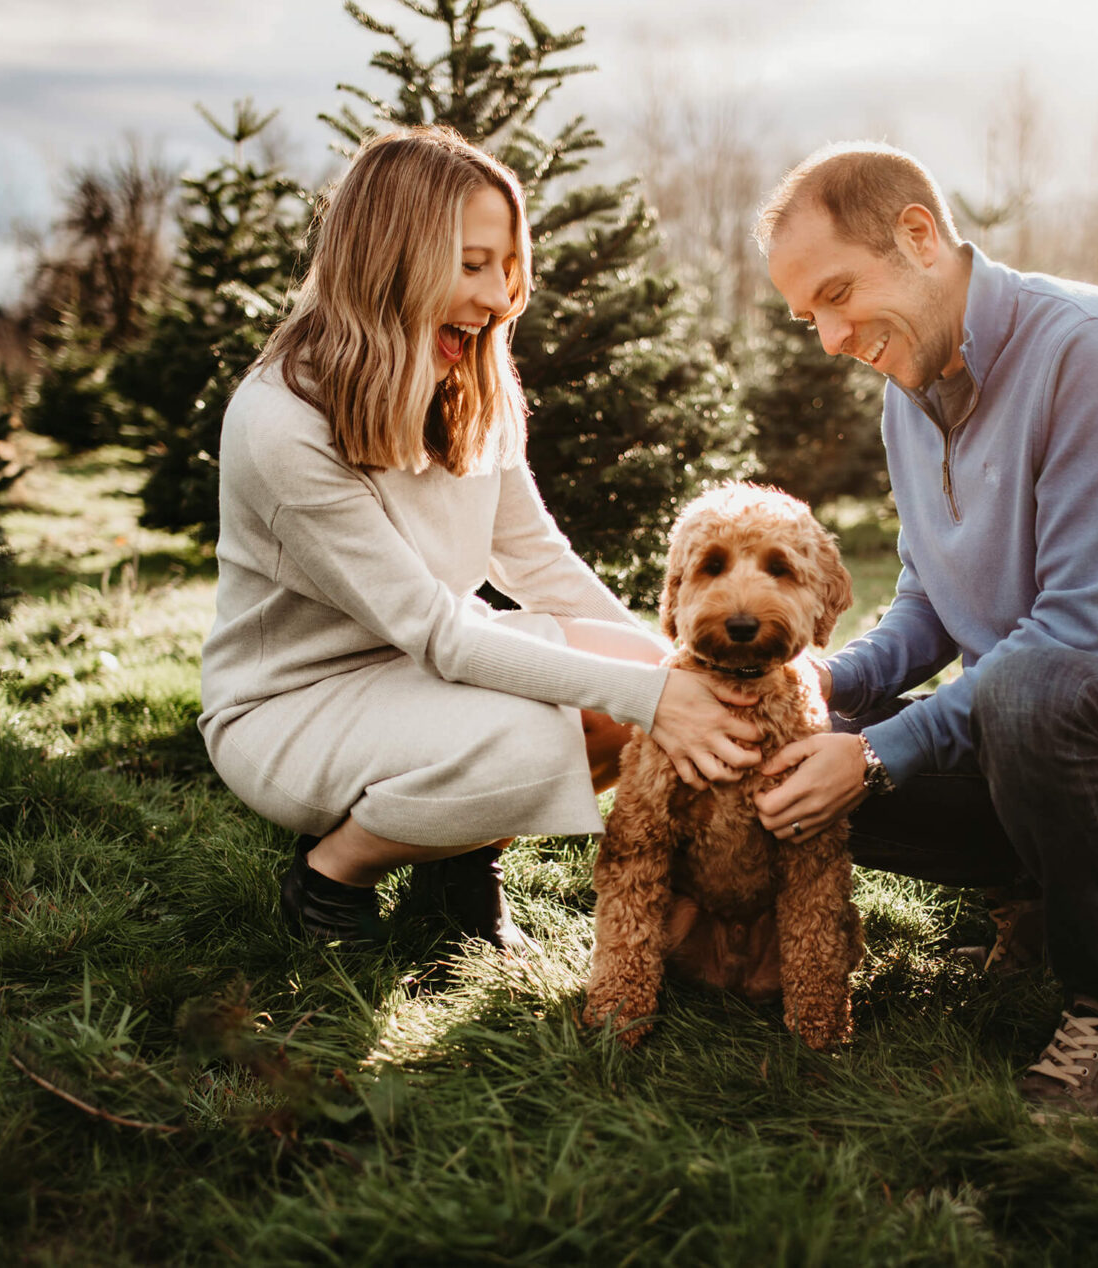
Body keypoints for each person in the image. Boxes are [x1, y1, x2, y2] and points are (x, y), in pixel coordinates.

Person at [748, 142, 1098, 1116]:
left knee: (1034, 688)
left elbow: (1074, 636)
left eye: (836, 293)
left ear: (915, 235)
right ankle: (1036, 896)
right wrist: (823, 687)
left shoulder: (1091, 348)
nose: (825, 337)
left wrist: (870, 756)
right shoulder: (907, 398)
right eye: (806, 315)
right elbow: (930, 603)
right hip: (1026, 742)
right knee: (773, 744)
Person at [198, 126, 760, 954]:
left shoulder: (469, 382)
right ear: (391, 259)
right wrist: (649, 697)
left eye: (506, 266)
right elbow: (435, 629)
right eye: (472, 265)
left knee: (635, 684)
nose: (500, 296)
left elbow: (537, 559)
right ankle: (331, 874)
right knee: (540, 744)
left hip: (420, 672)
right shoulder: (281, 421)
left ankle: (460, 864)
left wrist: (671, 672)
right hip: (293, 705)